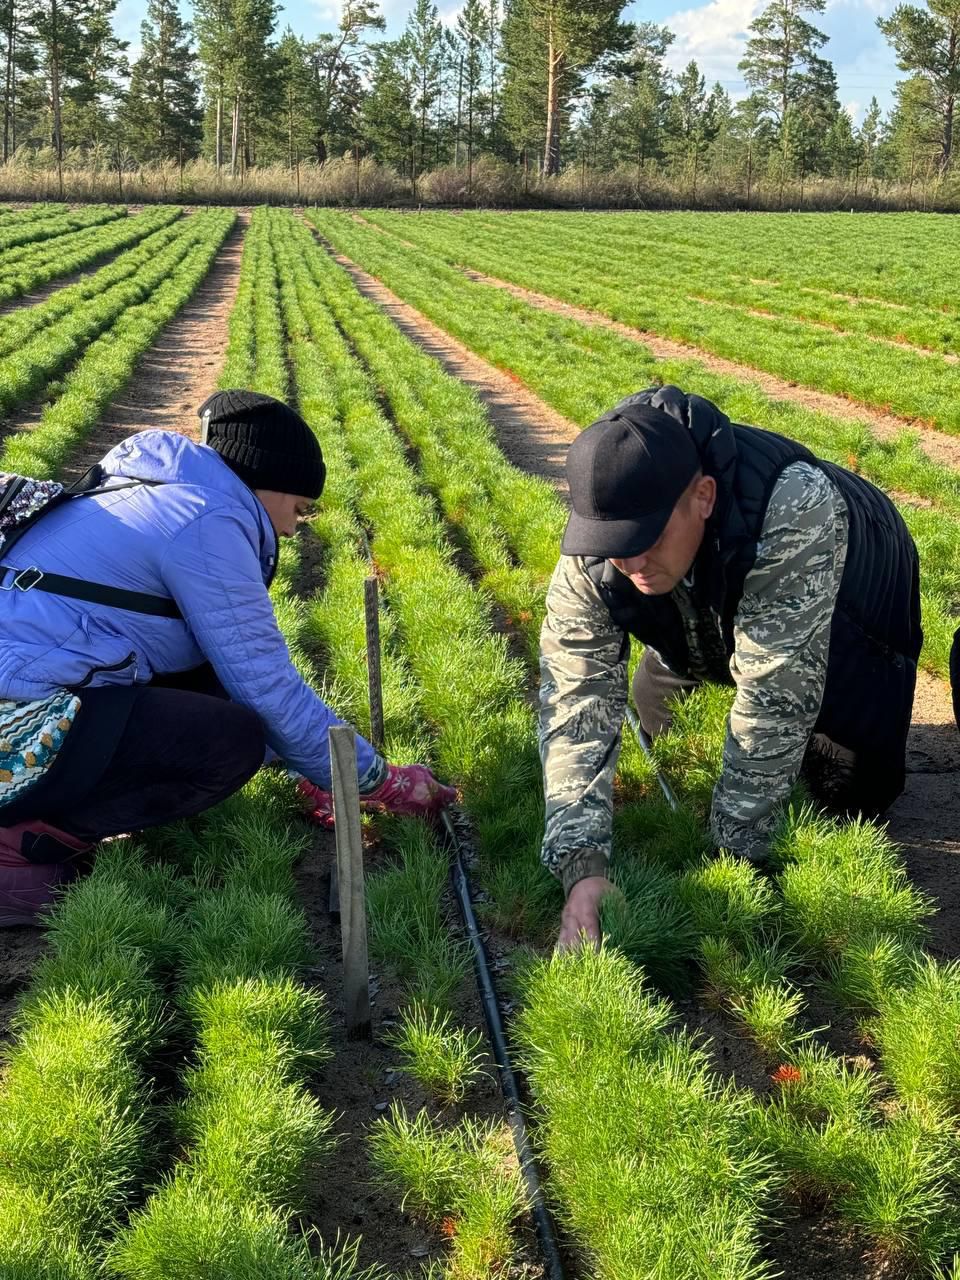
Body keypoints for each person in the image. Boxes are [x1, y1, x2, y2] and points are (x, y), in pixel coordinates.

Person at [0, 390, 454, 926]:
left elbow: (226, 675)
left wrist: (303, 767)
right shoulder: (204, 521)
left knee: (212, 684)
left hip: (27, 686)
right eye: (299, 509)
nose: (290, 529)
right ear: (270, 485)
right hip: (17, 720)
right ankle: (19, 845)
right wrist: (378, 781)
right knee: (227, 741)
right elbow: (264, 684)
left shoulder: (155, 490)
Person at [540, 385, 922, 950]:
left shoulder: (793, 508)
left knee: (854, 795)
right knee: (658, 722)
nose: (631, 561)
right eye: (616, 543)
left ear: (703, 495)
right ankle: (702, 644)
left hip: (853, 595)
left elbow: (774, 698)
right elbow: (576, 700)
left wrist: (730, 866)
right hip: (710, 588)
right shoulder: (599, 542)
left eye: (646, 538)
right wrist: (583, 866)